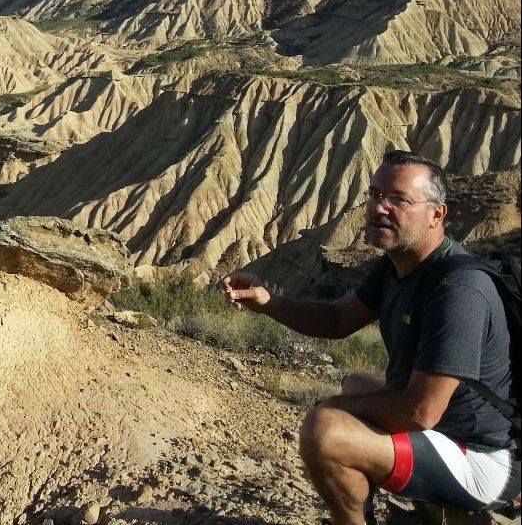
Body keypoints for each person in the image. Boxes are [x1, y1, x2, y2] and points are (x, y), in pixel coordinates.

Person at [221, 150, 518, 525]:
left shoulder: (458, 290)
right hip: (445, 427)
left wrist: (333, 411)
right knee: (355, 383)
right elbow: (336, 319)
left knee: (325, 429)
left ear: (437, 214)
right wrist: (267, 302)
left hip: (479, 458)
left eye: (398, 199)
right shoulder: (397, 266)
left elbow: (420, 412)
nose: (380, 208)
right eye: (376, 195)